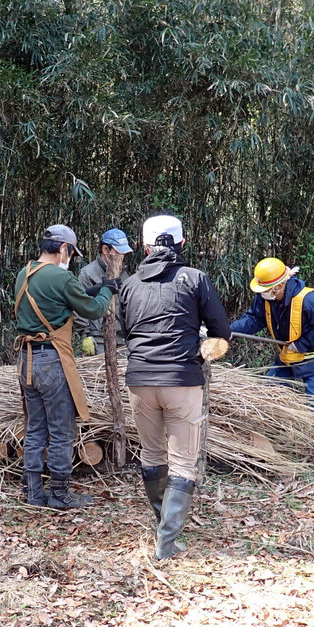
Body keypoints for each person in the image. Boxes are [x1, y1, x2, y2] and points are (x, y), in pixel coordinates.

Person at [119, 214, 232, 560]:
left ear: (144, 247)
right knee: (183, 462)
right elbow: (221, 332)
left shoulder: (129, 285)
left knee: (152, 455)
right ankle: (166, 542)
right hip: (181, 380)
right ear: (182, 244)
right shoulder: (194, 279)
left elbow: (127, 331)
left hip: (139, 380)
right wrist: (199, 339)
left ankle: (162, 526)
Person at [14, 225, 118, 509]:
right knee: (62, 431)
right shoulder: (61, 277)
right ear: (63, 248)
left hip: (26, 361)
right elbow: (94, 309)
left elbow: (62, 299)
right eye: (71, 253)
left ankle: (34, 493)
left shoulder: (24, 273)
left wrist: (95, 289)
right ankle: (60, 495)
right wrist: (107, 289)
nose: (70, 258)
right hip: (52, 361)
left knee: (35, 429)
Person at [230, 258, 314, 471]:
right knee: (267, 393)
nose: (263, 293)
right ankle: (268, 447)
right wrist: (228, 331)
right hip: (286, 358)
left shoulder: (307, 299)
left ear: (280, 285)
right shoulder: (266, 298)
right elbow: (253, 320)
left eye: (266, 289)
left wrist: (302, 344)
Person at [76, 228, 134, 356]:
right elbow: (79, 304)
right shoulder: (88, 274)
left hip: (123, 340)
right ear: (105, 250)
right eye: (118, 252)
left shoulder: (124, 275)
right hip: (99, 339)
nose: (122, 257)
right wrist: (86, 334)